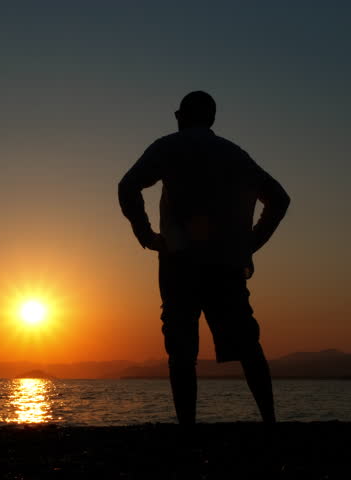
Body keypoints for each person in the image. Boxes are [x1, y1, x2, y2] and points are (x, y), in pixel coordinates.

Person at [118, 91, 290, 424]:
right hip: (226, 263)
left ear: (181, 116)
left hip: (179, 261)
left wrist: (146, 235)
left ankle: (188, 428)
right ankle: (270, 422)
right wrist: (250, 243)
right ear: (211, 119)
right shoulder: (234, 154)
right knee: (246, 342)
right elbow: (279, 199)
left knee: (181, 349)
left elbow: (128, 186)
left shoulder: (168, 147)